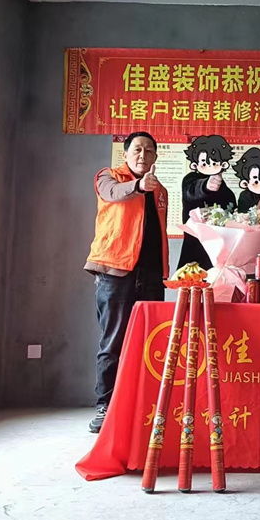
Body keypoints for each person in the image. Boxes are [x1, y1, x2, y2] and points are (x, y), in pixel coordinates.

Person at [84, 131, 168, 433]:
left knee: (149, 342)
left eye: (149, 150)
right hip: (115, 271)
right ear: (126, 153)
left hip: (151, 275)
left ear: (156, 156)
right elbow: (113, 194)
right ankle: (105, 406)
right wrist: (138, 186)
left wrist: (164, 271)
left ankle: (143, 405)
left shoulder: (160, 190)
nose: (143, 155)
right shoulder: (108, 177)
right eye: (137, 149)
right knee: (113, 342)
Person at [178, 134, 236, 271]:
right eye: (204, 162)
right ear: (195, 163)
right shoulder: (190, 180)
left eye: (215, 161)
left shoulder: (227, 191)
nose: (210, 165)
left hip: (219, 256)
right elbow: (192, 191)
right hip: (194, 252)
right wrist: (206, 186)